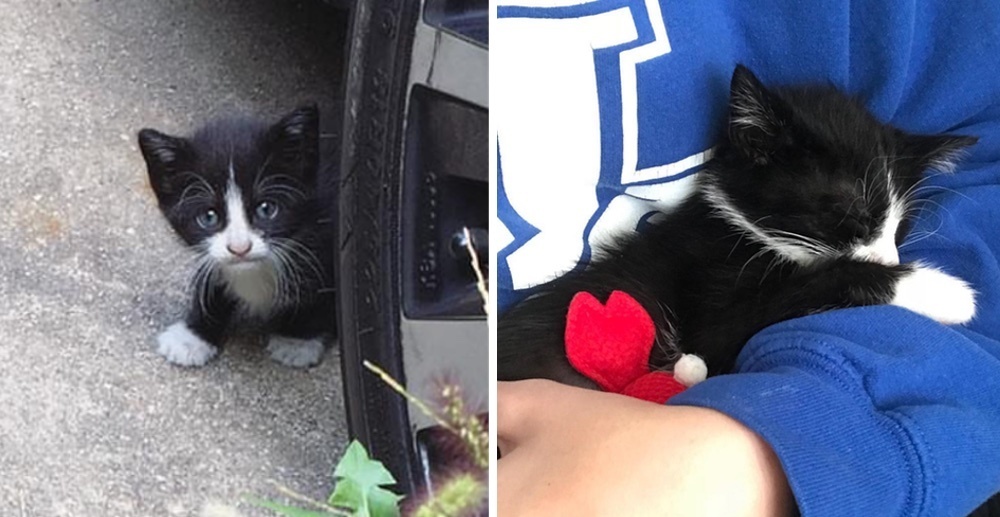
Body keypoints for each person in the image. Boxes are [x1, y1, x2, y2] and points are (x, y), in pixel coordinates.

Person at [495, 0, 1000, 515]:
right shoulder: (713, 244)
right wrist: (864, 282)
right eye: (848, 221)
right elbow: (727, 332)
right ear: (756, 144)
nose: (884, 254)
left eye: (898, 228)